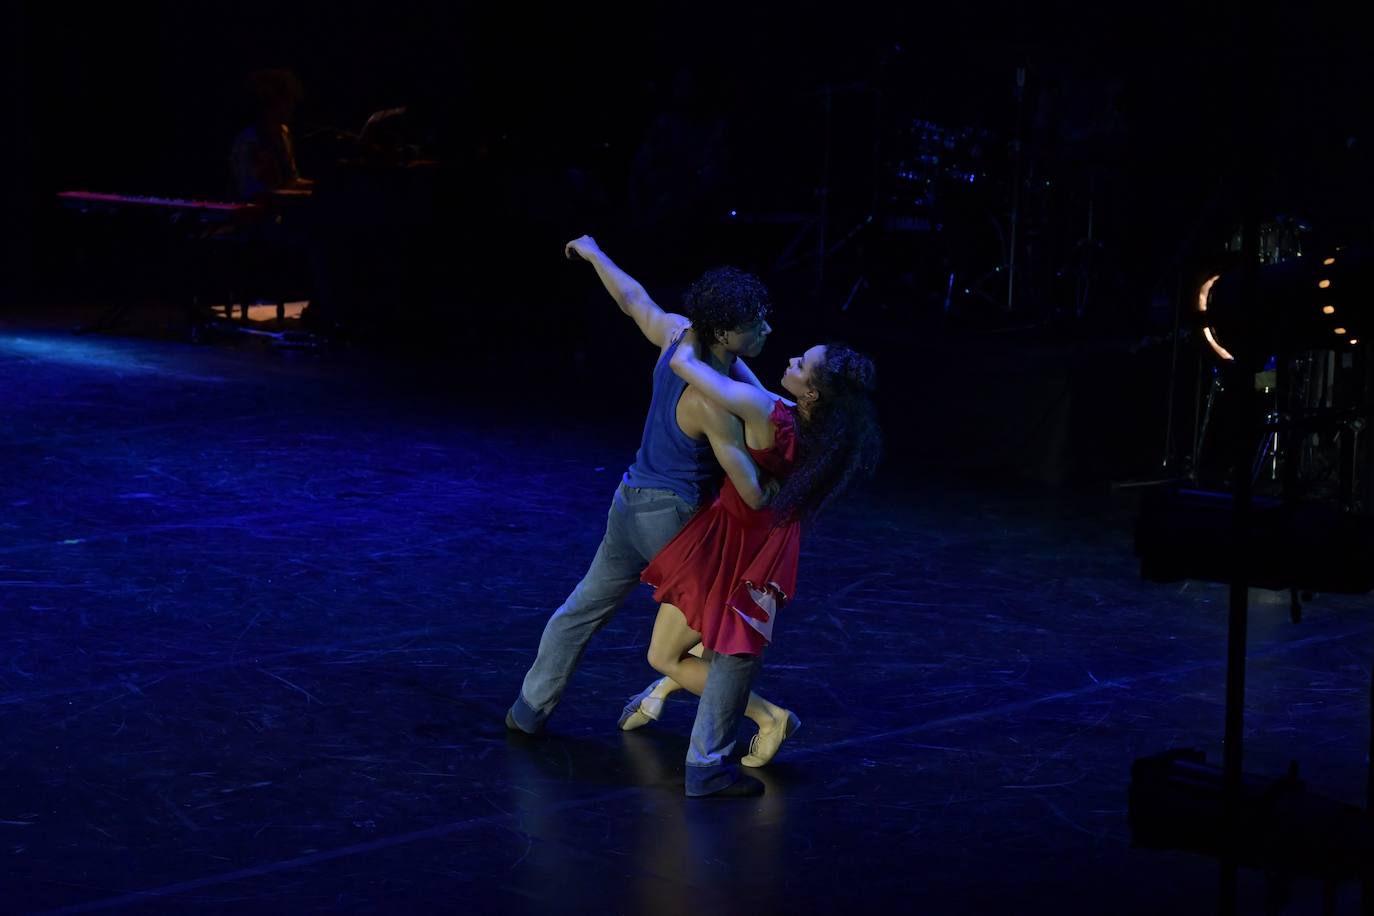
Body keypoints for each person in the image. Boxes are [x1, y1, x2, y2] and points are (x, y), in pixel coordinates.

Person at [506, 236, 791, 797]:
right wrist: (786, 483)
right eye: (756, 325)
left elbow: (633, 298)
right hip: (674, 521)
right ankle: (709, 763)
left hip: (628, 501)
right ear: (725, 334)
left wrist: (592, 253)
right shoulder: (714, 400)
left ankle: (528, 710)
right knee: (731, 641)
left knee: (583, 608)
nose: (768, 332)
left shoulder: (677, 336)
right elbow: (753, 496)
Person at [633, 327, 882, 791]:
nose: (790, 359)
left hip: (736, 543)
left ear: (811, 390)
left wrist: (692, 331)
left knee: (664, 656)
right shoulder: (807, 423)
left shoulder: (768, 410)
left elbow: (685, 367)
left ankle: (768, 715)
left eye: (801, 363)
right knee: (684, 649)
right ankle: (750, 711)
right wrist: (730, 348)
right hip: (751, 538)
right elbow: (746, 378)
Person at [230, 68, 315, 204]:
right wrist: (306, 195)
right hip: (255, 220)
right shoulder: (249, 141)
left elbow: (289, 181)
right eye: (288, 101)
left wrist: (321, 187)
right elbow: (252, 194)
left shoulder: (283, 133)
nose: (292, 106)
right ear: (271, 103)